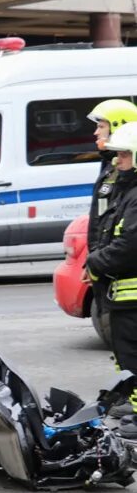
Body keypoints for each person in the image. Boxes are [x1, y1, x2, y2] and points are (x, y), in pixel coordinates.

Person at [85, 100, 137, 398]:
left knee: (129, 347)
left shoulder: (126, 180)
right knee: (121, 347)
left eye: (101, 125)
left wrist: (97, 261)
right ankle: (127, 398)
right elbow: (103, 223)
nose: (95, 132)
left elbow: (128, 238)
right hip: (108, 271)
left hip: (120, 275)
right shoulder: (111, 172)